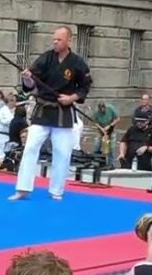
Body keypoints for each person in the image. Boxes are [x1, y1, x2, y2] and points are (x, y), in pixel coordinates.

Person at [9, 26, 92, 202]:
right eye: (54, 39)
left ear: (69, 40)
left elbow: (85, 87)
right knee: (30, 147)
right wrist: (27, 78)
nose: (55, 42)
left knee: (62, 152)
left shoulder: (77, 63)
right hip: (43, 109)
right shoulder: (46, 58)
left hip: (63, 111)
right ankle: (23, 189)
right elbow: (31, 84)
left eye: (59, 39)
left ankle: (56, 190)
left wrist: (71, 98)